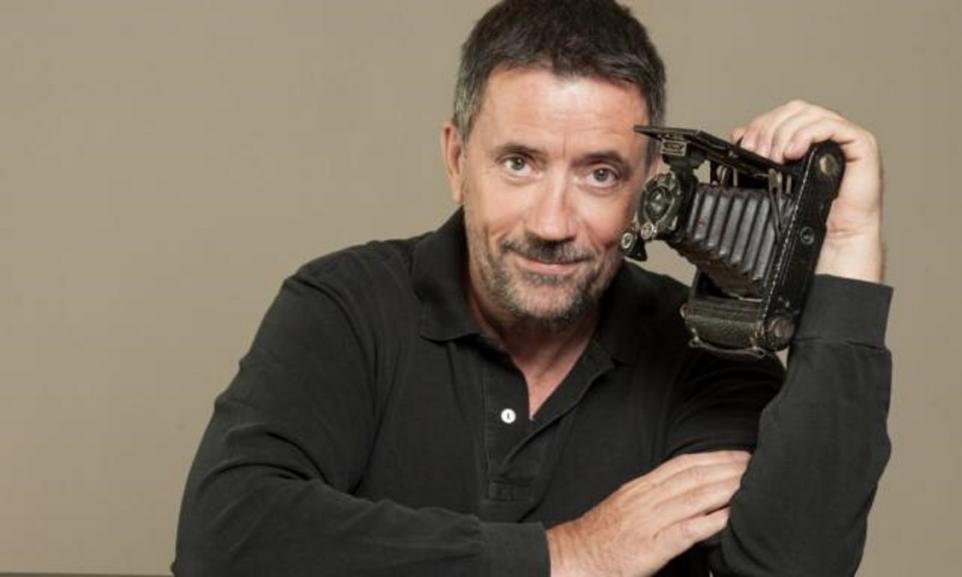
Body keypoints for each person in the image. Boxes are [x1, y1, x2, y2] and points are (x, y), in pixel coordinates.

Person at [174, 1, 892, 575]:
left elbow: (795, 565)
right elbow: (225, 537)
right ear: (457, 161)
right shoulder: (346, 306)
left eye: (600, 174)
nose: (552, 223)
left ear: (648, 185)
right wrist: (565, 555)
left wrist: (847, 248)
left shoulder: (701, 346)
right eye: (519, 162)